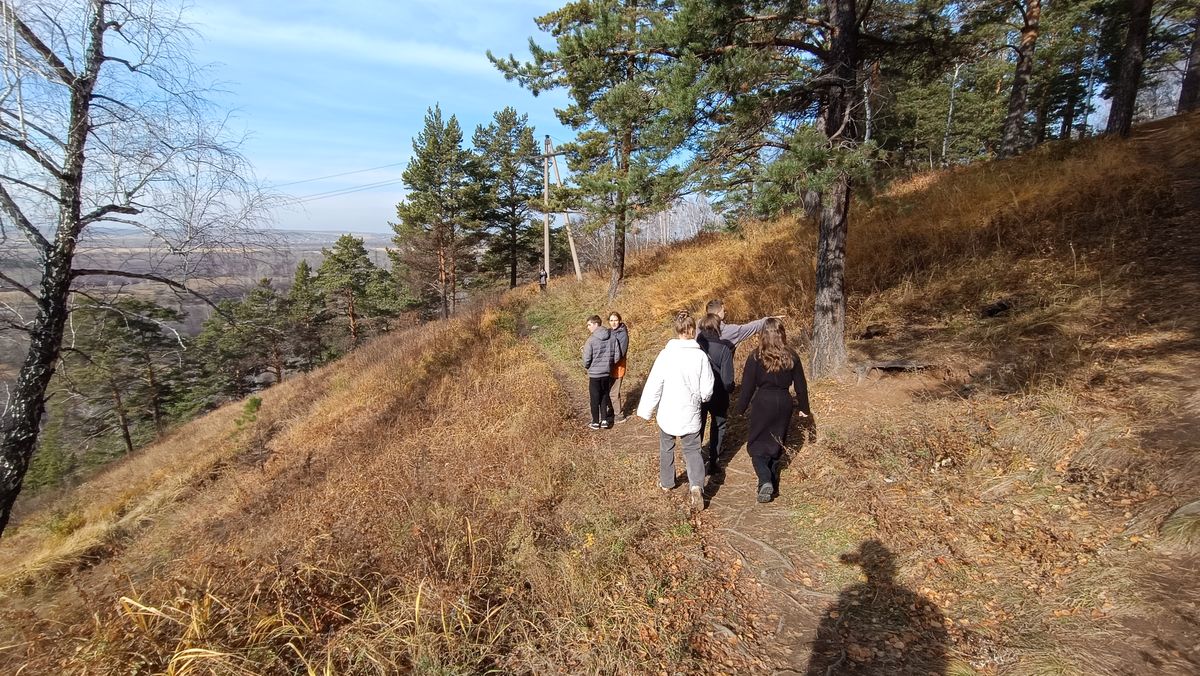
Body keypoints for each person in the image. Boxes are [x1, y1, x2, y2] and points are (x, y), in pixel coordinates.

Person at [637, 311, 714, 511]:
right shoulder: (700, 356)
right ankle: (696, 485)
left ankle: (667, 482)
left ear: (677, 330)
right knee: (692, 450)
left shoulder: (665, 355)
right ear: (692, 330)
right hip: (690, 412)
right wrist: (703, 398)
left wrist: (646, 410)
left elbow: (654, 383)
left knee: (667, 447)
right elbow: (707, 388)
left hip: (668, 412)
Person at [734, 317, 810, 503]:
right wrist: (804, 407)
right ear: (782, 334)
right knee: (777, 442)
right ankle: (771, 484)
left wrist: (740, 409)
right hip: (784, 402)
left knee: (757, 445)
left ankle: (765, 479)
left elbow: (747, 387)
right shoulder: (792, 355)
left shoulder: (755, 357)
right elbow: (801, 385)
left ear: (763, 335)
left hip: (763, 402)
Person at [696, 312, 734, 476]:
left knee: (699, 426)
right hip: (718, 393)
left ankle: (696, 460)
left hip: (698, 393)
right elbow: (727, 380)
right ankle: (713, 460)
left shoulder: (695, 345)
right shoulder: (724, 348)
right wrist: (730, 389)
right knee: (718, 425)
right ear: (717, 328)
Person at [705, 298, 783, 357]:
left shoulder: (698, 328)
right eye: (723, 310)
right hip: (720, 375)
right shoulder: (729, 331)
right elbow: (752, 327)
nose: (725, 312)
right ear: (717, 313)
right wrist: (769, 320)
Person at [582, 314, 619, 429]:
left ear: (595, 324)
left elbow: (587, 359)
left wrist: (587, 365)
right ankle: (604, 420)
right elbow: (617, 355)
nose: (588, 327)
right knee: (604, 395)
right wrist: (609, 364)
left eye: (589, 325)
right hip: (606, 372)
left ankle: (595, 422)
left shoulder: (591, 340)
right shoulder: (612, 337)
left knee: (594, 398)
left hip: (594, 374)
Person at [607, 311, 629, 421]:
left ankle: (619, 415)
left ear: (619, 321)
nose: (614, 322)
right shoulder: (610, 332)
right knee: (609, 390)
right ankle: (612, 410)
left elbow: (620, 353)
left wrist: (609, 363)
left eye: (615, 320)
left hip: (618, 367)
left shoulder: (622, 334)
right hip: (609, 367)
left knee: (614, 392)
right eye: (611, 320)